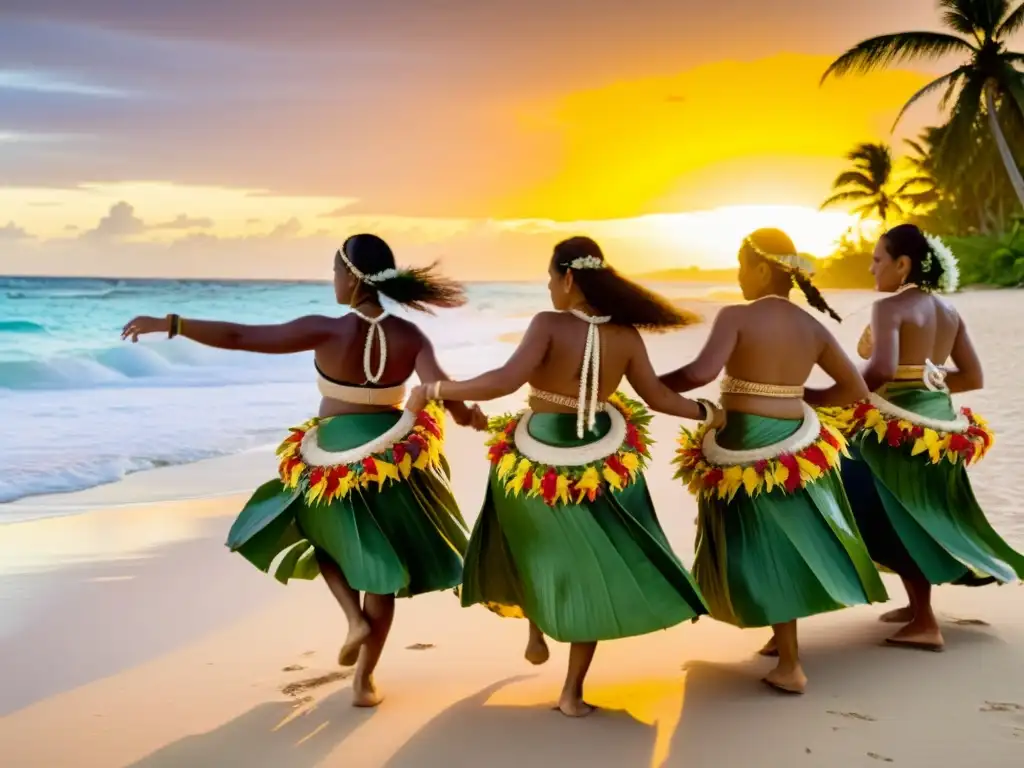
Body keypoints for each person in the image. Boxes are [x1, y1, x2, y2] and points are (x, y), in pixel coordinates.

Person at [121, 233, 487, 708]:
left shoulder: (327, 329)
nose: (332, 281)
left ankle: (351, 619)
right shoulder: (411, 335)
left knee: (318, 533)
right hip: (391, 460)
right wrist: (470, 416)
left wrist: (171, 323)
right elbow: (441, 388)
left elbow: (241, 337)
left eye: (336, 272)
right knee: (384, 570)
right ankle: (364, 680)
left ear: (353, 279)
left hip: (334, 451)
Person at [406, 236, 712, 718]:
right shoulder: (626, 335)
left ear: (568, 278)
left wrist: (437, 389)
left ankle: (535, 619)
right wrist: (709, 413)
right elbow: (658, 398)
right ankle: (571, 691)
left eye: (551, 277)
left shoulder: (548, 324)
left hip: (537, 456)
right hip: (601, 458)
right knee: (590, 569)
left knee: (528, 543)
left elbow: (504, 381)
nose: (549, 288)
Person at [661, 228, 888, 695]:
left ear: (762, 269)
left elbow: (700, 373)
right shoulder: (812, 326)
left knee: (765, 542)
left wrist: (648, 382)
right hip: (797, 445)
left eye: (741, 266)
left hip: (749, 445)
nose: (738, 276)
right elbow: (854, 391)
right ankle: (778, 638)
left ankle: (791, 664)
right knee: (785, 538)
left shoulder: (737, 316)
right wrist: (801, 394)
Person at [831, 224, 1024, 652]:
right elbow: (972, 377)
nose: (871, 267)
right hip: (937, 426)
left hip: (898, 430)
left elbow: (880, 371)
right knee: (911, 510)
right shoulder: (949, 313)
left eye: (878, 260)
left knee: (883, 507)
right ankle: (916, 608)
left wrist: (839, 395)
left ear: (903, 264)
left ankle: (924, 621)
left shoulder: (889, 309)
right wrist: (926, 380)